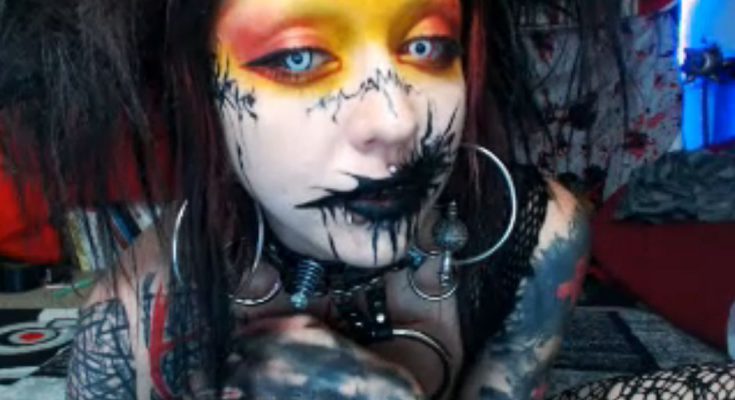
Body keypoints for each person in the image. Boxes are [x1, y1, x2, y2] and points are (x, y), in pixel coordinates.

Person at [1, 1, 729, 399]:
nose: (398, 121)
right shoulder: (137, 319)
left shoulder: (537, 235)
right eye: (297, 58)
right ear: (193, 90)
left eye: (425, 47)